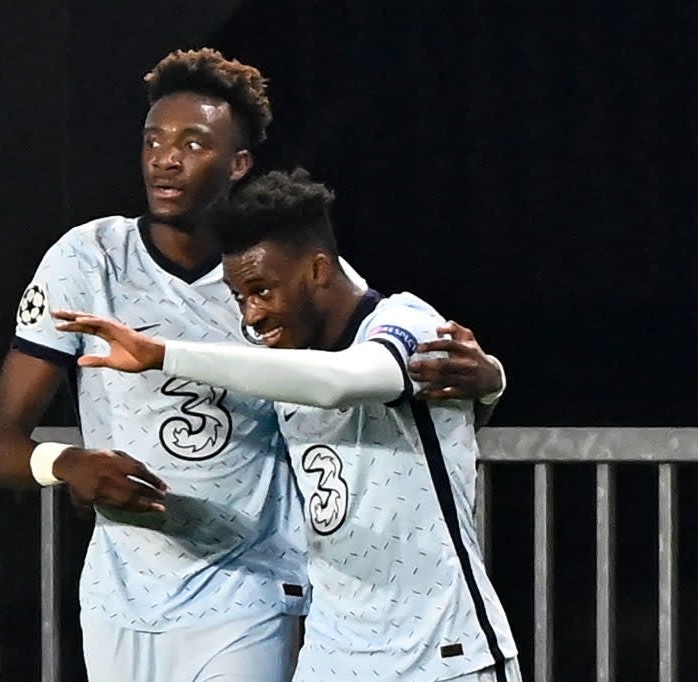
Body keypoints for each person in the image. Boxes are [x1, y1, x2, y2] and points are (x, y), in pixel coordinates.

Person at [0, 48, 505, 682]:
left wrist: (490, 378)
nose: (166, 159)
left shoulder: (294, 279)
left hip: (256, 594)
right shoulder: (86, 261)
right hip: (123, 598)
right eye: (153, 140)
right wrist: (63, 463)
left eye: (194, 143)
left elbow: (369, 361)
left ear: (239, 163)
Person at [53, 168, 521, 682]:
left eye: (261, 290)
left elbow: (344, 382)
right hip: (332, 658)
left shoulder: (408, 323)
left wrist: (162, 354)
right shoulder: (286, 364)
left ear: (319, 269)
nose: (250, 315)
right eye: (238, 297)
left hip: (442, 657)